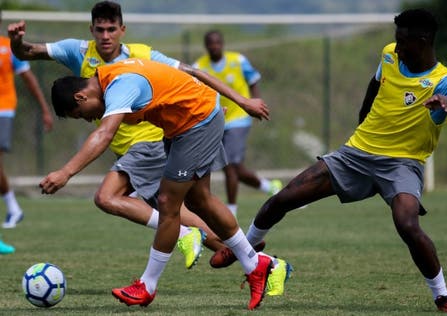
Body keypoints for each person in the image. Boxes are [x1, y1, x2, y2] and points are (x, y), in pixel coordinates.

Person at [213, 9, 447, 313]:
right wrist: (362, 120)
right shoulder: (391, 54)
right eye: (397, 40)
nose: (398, 47)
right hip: (356, 154)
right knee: (284, 197)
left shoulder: (442, 80)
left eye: (404, 42)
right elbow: (375, 84)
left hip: (402, 165)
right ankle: (245, 249)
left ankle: (442, 295)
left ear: (424, 40)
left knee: (407, 224)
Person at [44, 58, 288, 310]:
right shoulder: (110, 76)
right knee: (199, 200)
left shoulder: (119, 87)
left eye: (80, 115)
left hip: (196, 122)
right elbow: (179, 78)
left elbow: (104, 134)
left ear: (81, 97)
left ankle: (147, 286)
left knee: (167, 203)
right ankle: (256, 264)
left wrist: (65, 172)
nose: (87, 119)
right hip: (192, 121)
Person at [7, 1, 229, 268]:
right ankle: (245, 253)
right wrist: (17, 42)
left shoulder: (140, 54)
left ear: (122, 29)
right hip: (133, 149)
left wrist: (208, 107)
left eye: (111, 29)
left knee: (107, 197)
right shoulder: (78, 52)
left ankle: (194, 240)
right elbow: (29, 52)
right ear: (91, 30)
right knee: (176, 207)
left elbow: (185, 75)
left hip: (150, 142)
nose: (105, 36)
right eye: (100, 30)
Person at [193, 30, 282, 218]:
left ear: (222, 44)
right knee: (234, 168)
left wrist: (257, 104)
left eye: (217, 43)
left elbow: (253, 81)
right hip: (215, 120)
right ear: (206, 46)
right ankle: (270, 186)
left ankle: (231, 210)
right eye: (211, 43)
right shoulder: (199, 66)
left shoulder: (238, 60)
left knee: (231, 165)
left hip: (239, 118)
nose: (214, 46)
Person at [0, 10, 53, 232]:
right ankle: (14, 208)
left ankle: (13, 207)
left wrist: (44, 110)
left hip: (3, 110)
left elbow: (29, 80)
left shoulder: (7, 48)